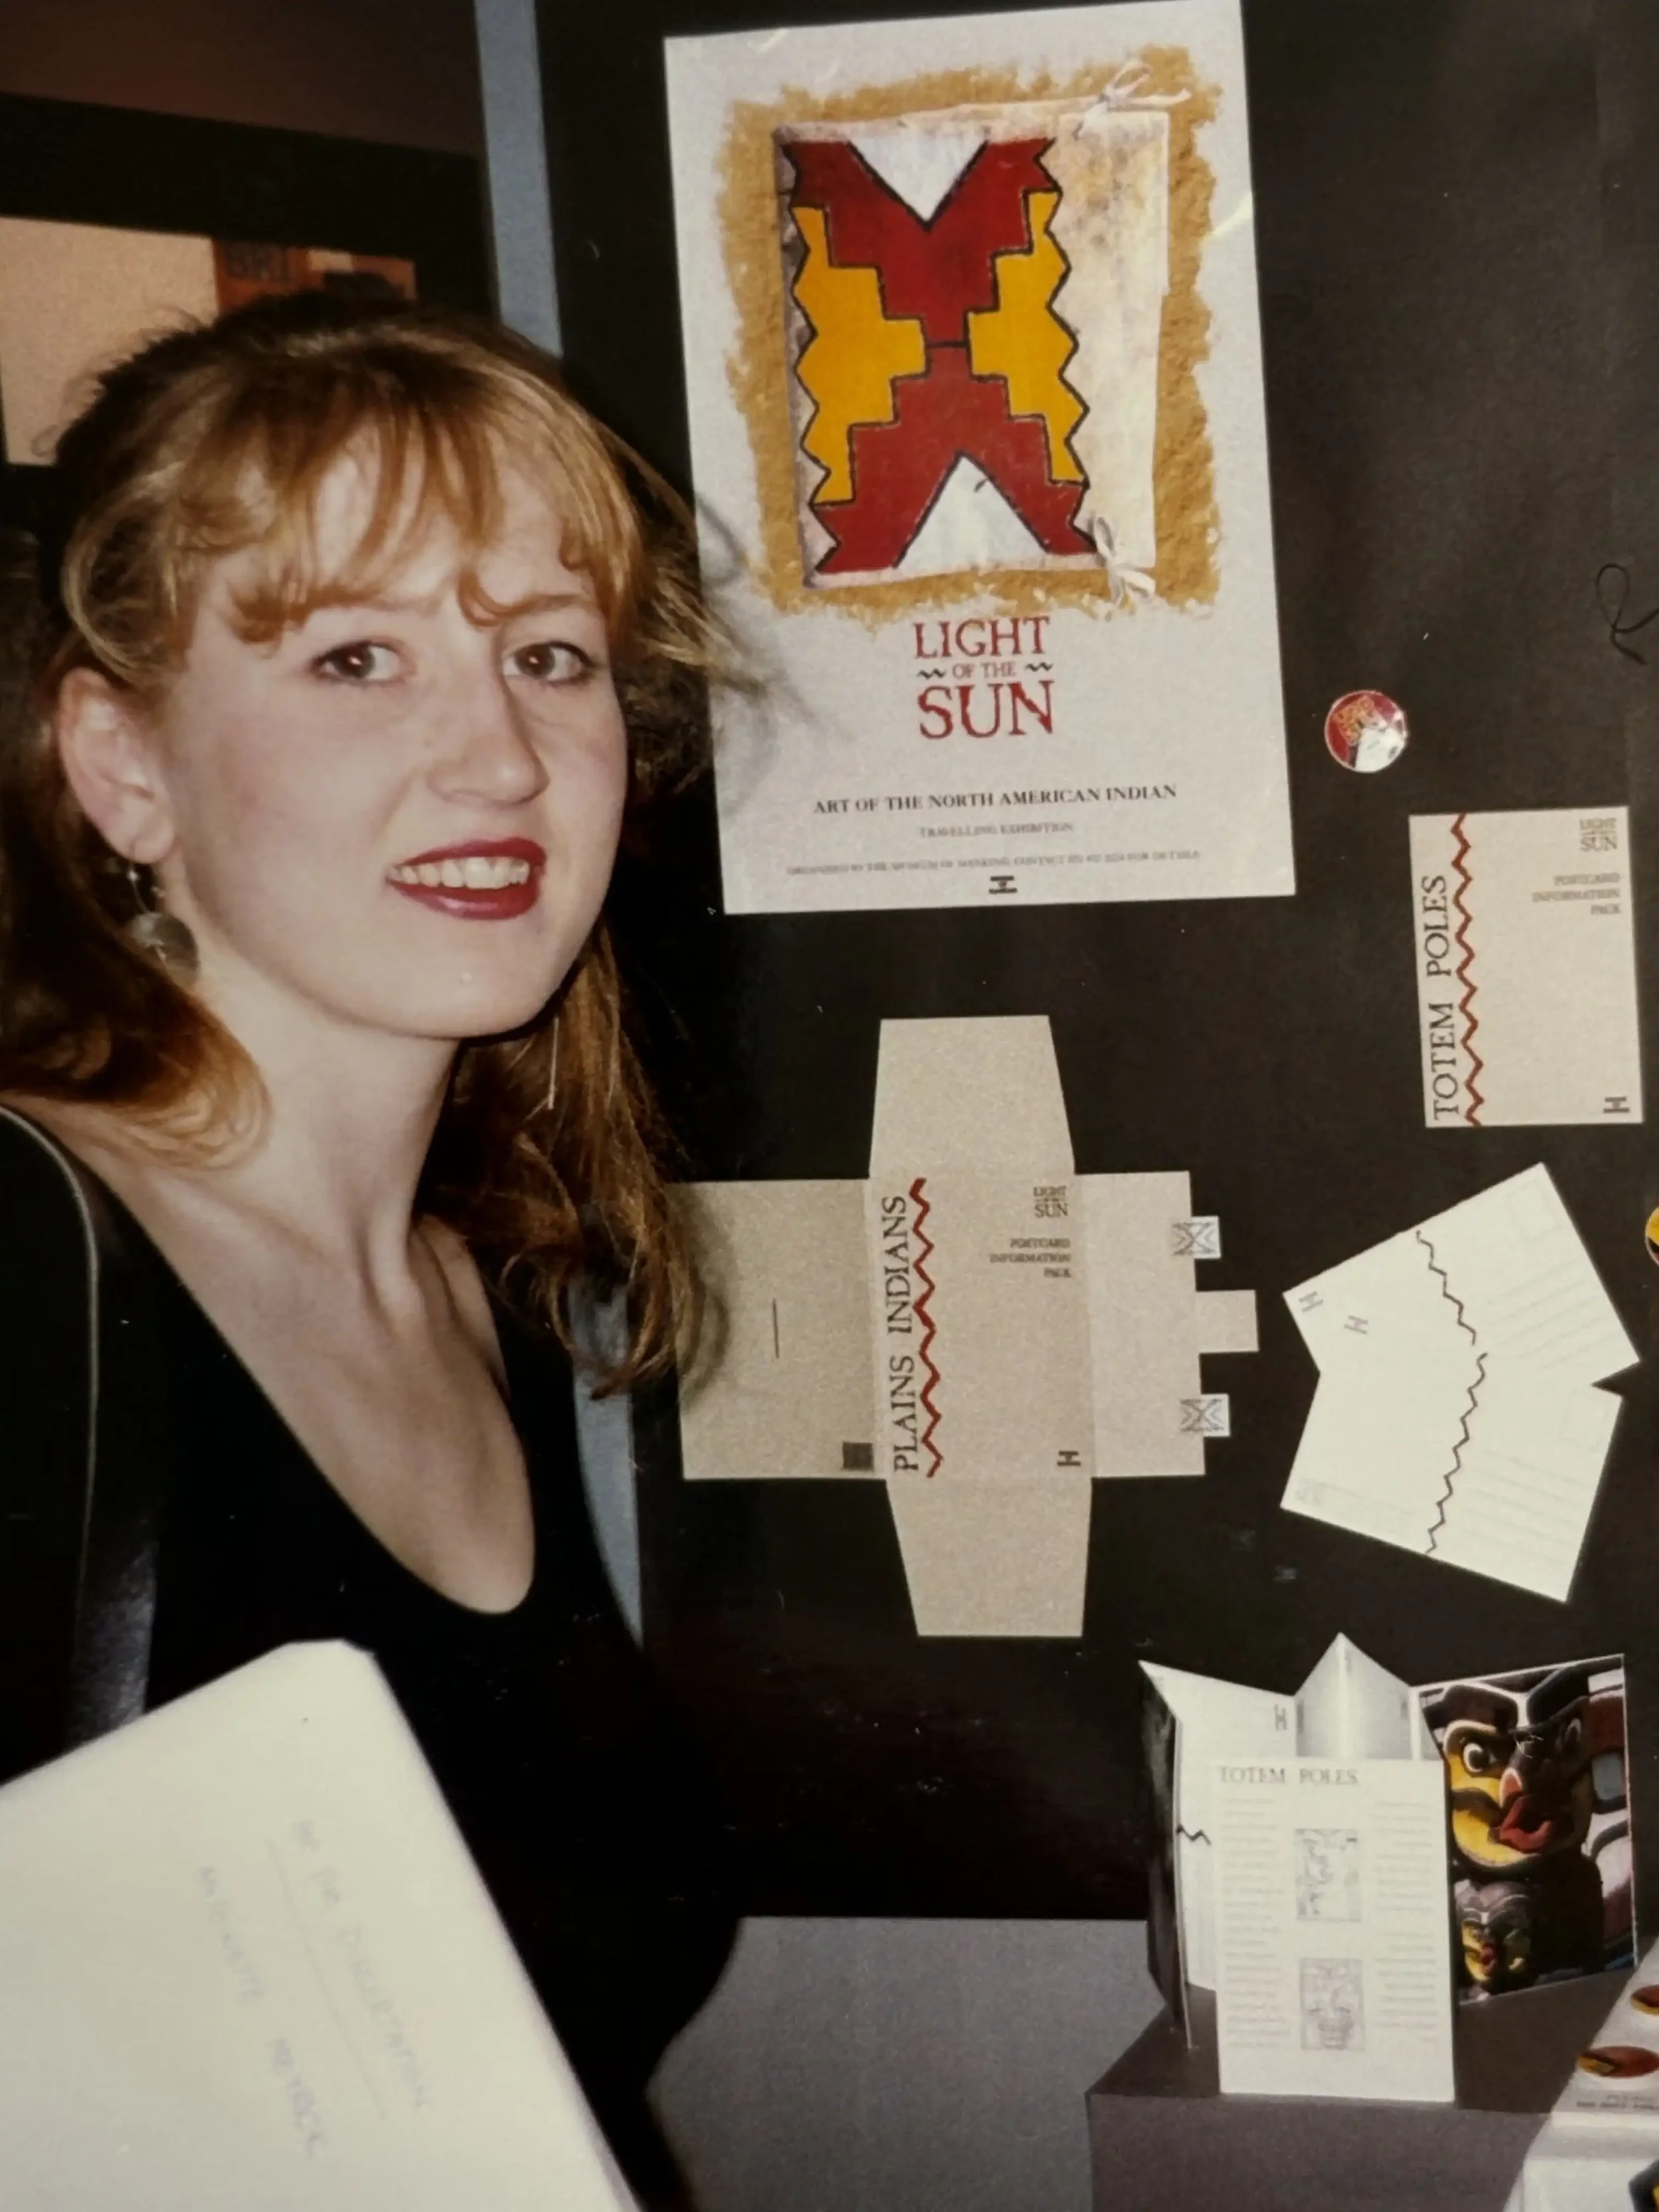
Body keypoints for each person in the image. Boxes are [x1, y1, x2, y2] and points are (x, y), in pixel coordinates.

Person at [0, 291, 737, 2207]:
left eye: (549, 657)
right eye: (354, 657)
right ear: (123, 765)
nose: (497, 758)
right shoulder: (23, 1257)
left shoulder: (476, 1303)